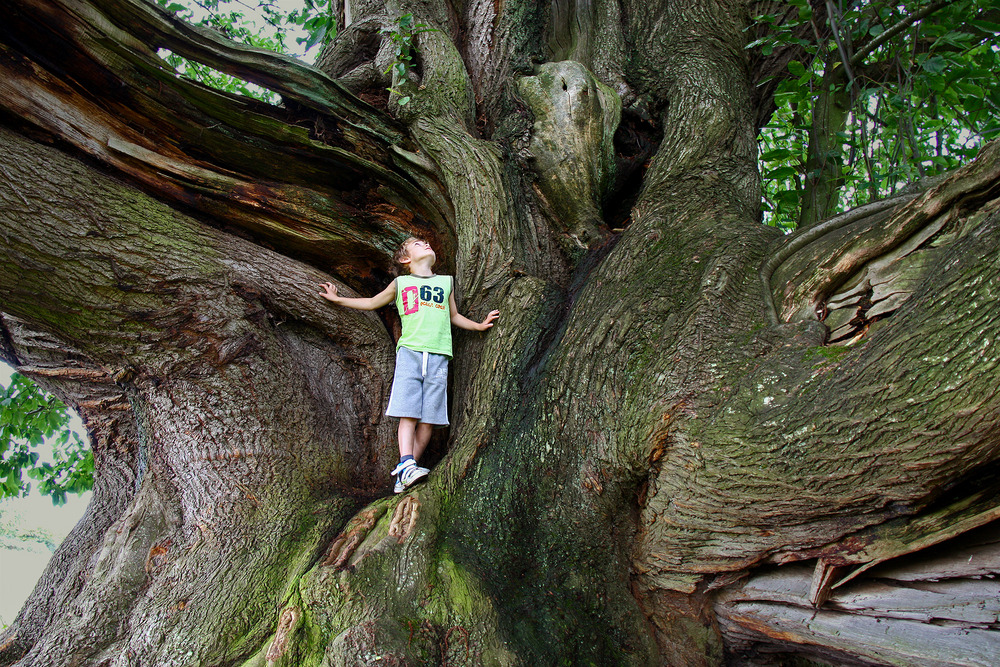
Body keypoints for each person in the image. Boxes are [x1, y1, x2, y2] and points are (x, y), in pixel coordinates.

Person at [319, 238, 500, 493]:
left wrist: (479, 325)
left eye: (426, 242)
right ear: (406, 259)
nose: (426, 244)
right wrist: (338, 300)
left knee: (428, 420)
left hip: (439, 355)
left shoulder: (445, 282)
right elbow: (372, 303)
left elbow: (454, 316)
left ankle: (406, 471)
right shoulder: (401, 283)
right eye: (417, 244)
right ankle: (406, 464)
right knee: (409, 412)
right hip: (411, 352)